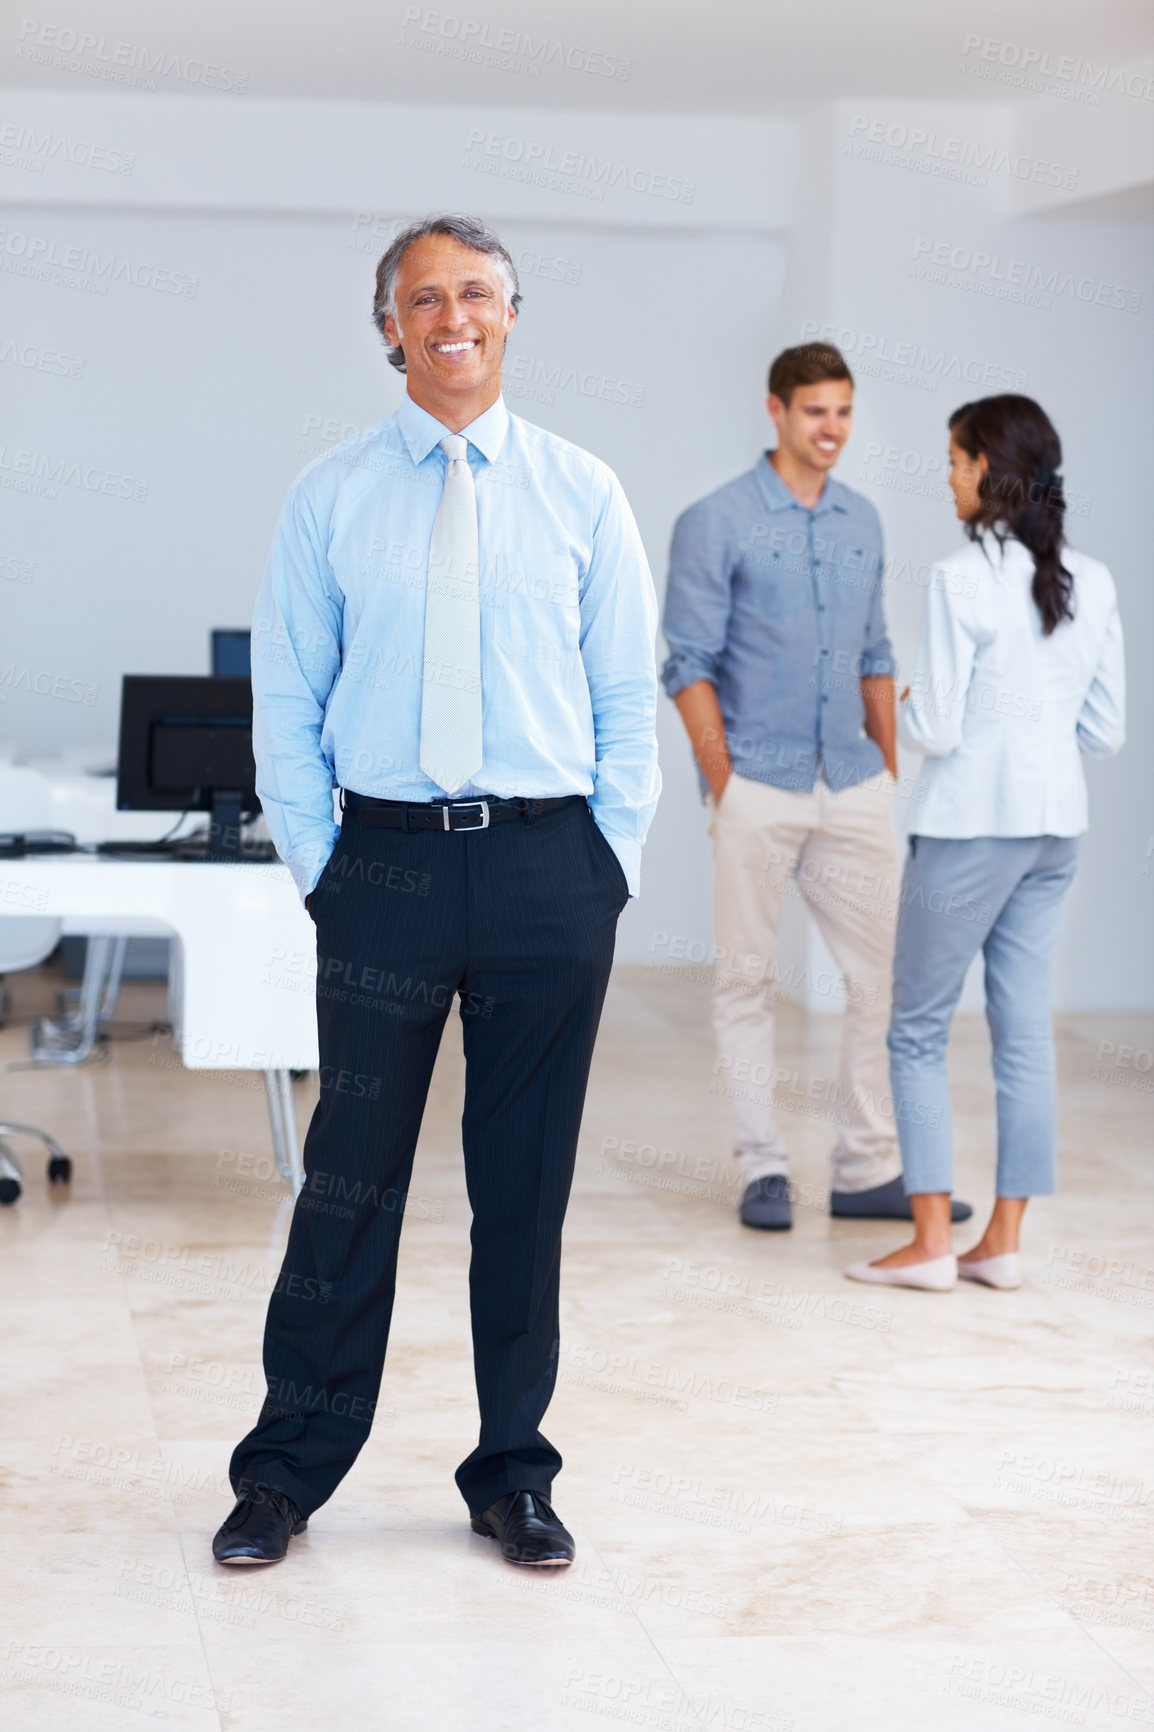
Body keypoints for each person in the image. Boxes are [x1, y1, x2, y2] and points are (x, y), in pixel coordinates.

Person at [213, 214, 660, 1569]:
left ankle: (510, 1472)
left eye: (474, 293)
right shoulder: (330, 493)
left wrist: (606, 863)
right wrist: (325, 868)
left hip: (544, 868)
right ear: (390, 327)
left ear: (511, 315)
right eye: (423, 298)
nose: (450, 315)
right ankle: (286, 1472)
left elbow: (624, 697)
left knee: (521, 1193)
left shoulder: (583, 491)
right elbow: (284, 697)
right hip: (387, 867)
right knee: (347, 1184)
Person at [662, 343, 972, 1231]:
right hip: (757, 781)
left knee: (886, 977)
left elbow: (876, 648)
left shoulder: (861, 521)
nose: (831, 429)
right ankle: (762, 1167)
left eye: (843, 412)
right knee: (747, 981)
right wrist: (726, 784)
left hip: (854, 781)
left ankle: (866, 1165)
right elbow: (687, 663)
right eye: (815, 412)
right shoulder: (714, 520)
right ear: (776, 411)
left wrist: (887, 765)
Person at [847, 394, 1125, 1292]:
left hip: (968, 830)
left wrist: (885, 700)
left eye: (956, 461)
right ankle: (1001, 1242)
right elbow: (1106, 732)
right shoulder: (1095, 580)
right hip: (1054, 832)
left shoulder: (958, 579)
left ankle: (930, 1241)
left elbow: (935, 726)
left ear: (989, 471)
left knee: (918, 1030)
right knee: (1023, 1036)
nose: (948, 477)